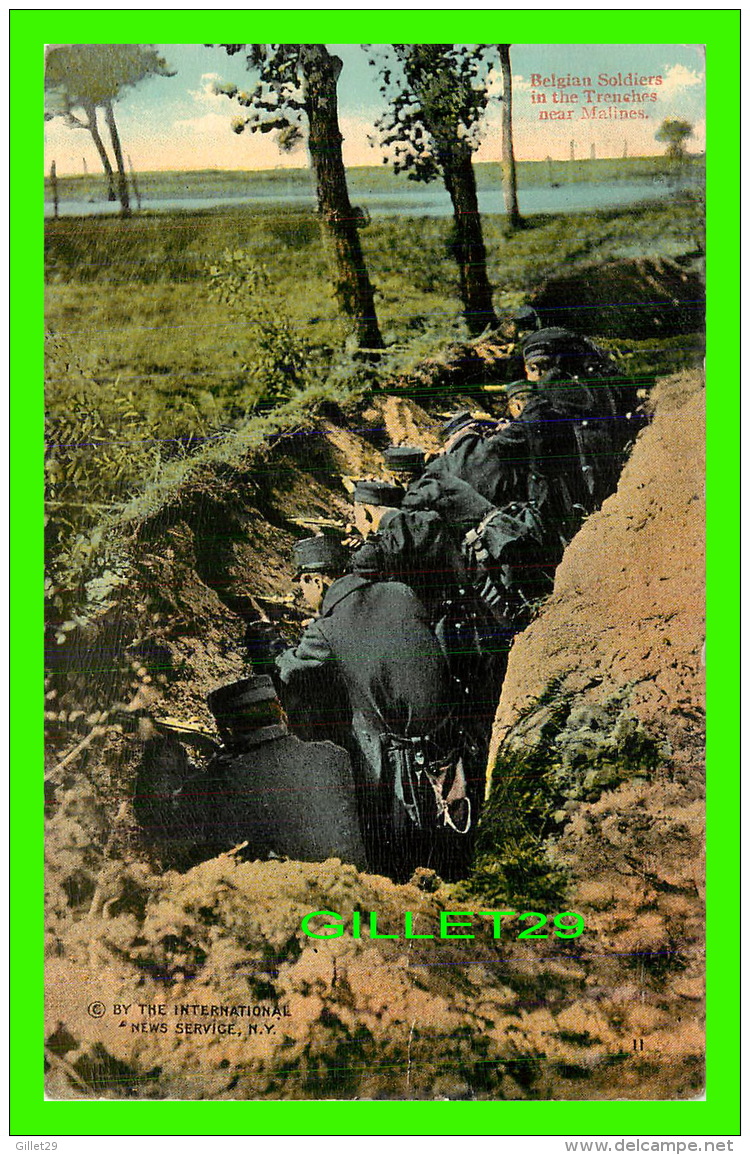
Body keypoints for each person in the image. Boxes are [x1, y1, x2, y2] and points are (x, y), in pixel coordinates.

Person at [275, 535, 475, 881]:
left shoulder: (325, 631)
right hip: (452, 744)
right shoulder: (400, 592)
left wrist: (274, 648)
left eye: (302, 587)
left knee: (403, 860)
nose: (303, 598)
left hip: (404, 767)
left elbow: (290, 669)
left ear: (317, 580)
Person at [134, 674, 367, 871]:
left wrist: (161, 750)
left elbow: (157, 816)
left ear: (225, 731)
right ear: (281, 712)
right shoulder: (334, 756)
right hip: (351, 898)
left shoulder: (221, 782)